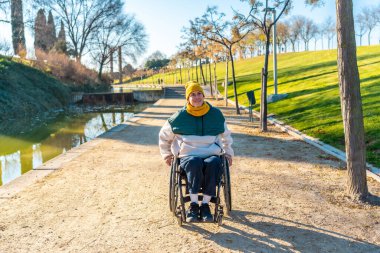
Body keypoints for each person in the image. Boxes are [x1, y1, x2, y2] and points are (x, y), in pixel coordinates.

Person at [159, 81, 233, 222]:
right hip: (188, 154)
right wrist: (167, 154)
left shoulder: (216, 114)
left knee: (214, 163)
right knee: (194, 162)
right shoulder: (179, 117)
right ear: (188, 98)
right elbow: (164, 136)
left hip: (212, 153)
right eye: (193, 95)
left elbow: (226, 136)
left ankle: (205, 205)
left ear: (203, 96)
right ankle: (193, 205)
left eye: (199, 94)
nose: (197, 97)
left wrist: (228, 152)